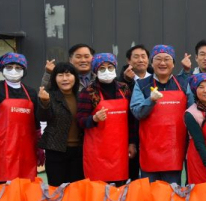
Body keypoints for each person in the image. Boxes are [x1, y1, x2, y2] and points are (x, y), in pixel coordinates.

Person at [130, 45, 188, 184]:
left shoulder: (183, 84)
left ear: (173, 63)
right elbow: (137, 112)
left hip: (175, 150)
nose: (162, 63)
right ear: (152, 63)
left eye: (167, 59)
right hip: (150, 150)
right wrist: (150, 100)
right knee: (149, 196)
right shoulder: (142, 84)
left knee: (171, 195)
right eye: (158, 59)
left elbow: (192, 113)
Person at [0, 53, 39, 183]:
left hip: (25, 148)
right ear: (2, 69)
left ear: (24, 70)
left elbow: (36, 120)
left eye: (18, 67)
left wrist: (39, 143)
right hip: (0, 147)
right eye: (9, 67)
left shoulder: (31, 92)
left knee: (23, 184)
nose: (14, 70)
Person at [77, 53, 132, 185]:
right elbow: (80, 120)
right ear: (95, 71)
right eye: (102, 68)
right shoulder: (88, 91)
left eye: (110, 67)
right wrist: (93, 118)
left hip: (120, 151)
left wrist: (133, 143)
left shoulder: (124, 89)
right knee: (98, 193)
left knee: (119, 193)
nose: (107, 71)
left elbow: (131, 120)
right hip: (97, 153)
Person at [36, 61, 84, 186]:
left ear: (75, 77)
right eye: (60, 75)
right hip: (55, 150)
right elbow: (42, 117)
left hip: (80, 151)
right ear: (54, 78)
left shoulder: (82, 96)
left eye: (68, 75)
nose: (65, 79)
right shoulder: (50, 95)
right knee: (56, 190)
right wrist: (45, 102)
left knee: (77, 189)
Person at [118, 44, 149, 181]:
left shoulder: (156, 78)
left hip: (152, 134)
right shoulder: (120, 82)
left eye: (143, 56)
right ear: (128, 61)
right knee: (132, 176)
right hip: (130, 133)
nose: (140, 60)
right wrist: (126, 81)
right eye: (136, 57)